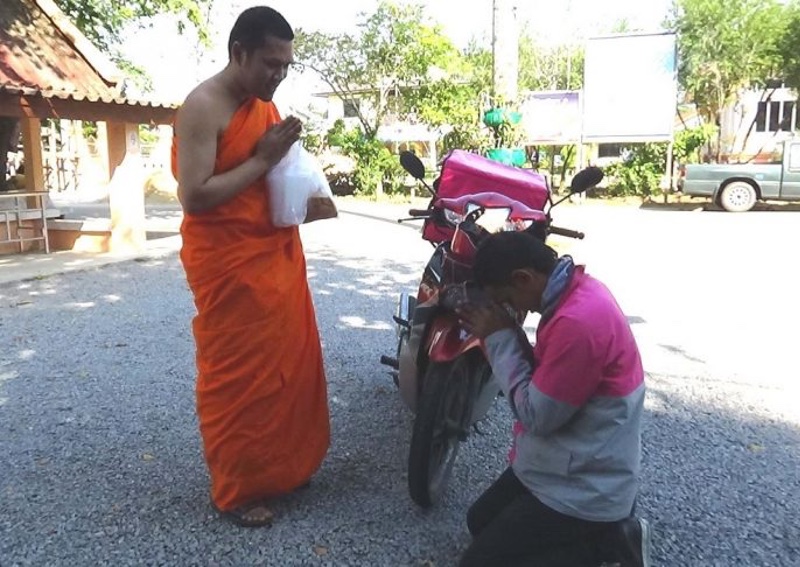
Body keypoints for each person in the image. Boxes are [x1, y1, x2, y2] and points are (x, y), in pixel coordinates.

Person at [171, 6, 329, 527]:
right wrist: (263, 159)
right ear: (238, 52)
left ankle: (284, 469)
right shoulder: (204, 106)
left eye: (286, 65)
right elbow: (195, 196)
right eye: (269, 63)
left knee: (289, 366)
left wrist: (306, 189)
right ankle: (237, 488)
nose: (278, 75)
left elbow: (273, 175)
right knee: (240, 376)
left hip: (274, 255)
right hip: (229, 264)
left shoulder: (263, 106)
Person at [455, 231, 650, 566]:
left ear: (523, 278)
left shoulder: (579, 322)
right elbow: (545, 381)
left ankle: (613, 544)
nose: (509, 309)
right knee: (479, 522)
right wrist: (511, 333)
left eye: (506, 299)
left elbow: (536, 416)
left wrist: (500, 337)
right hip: (562, 460)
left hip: (587, 487)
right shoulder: (575, 291)